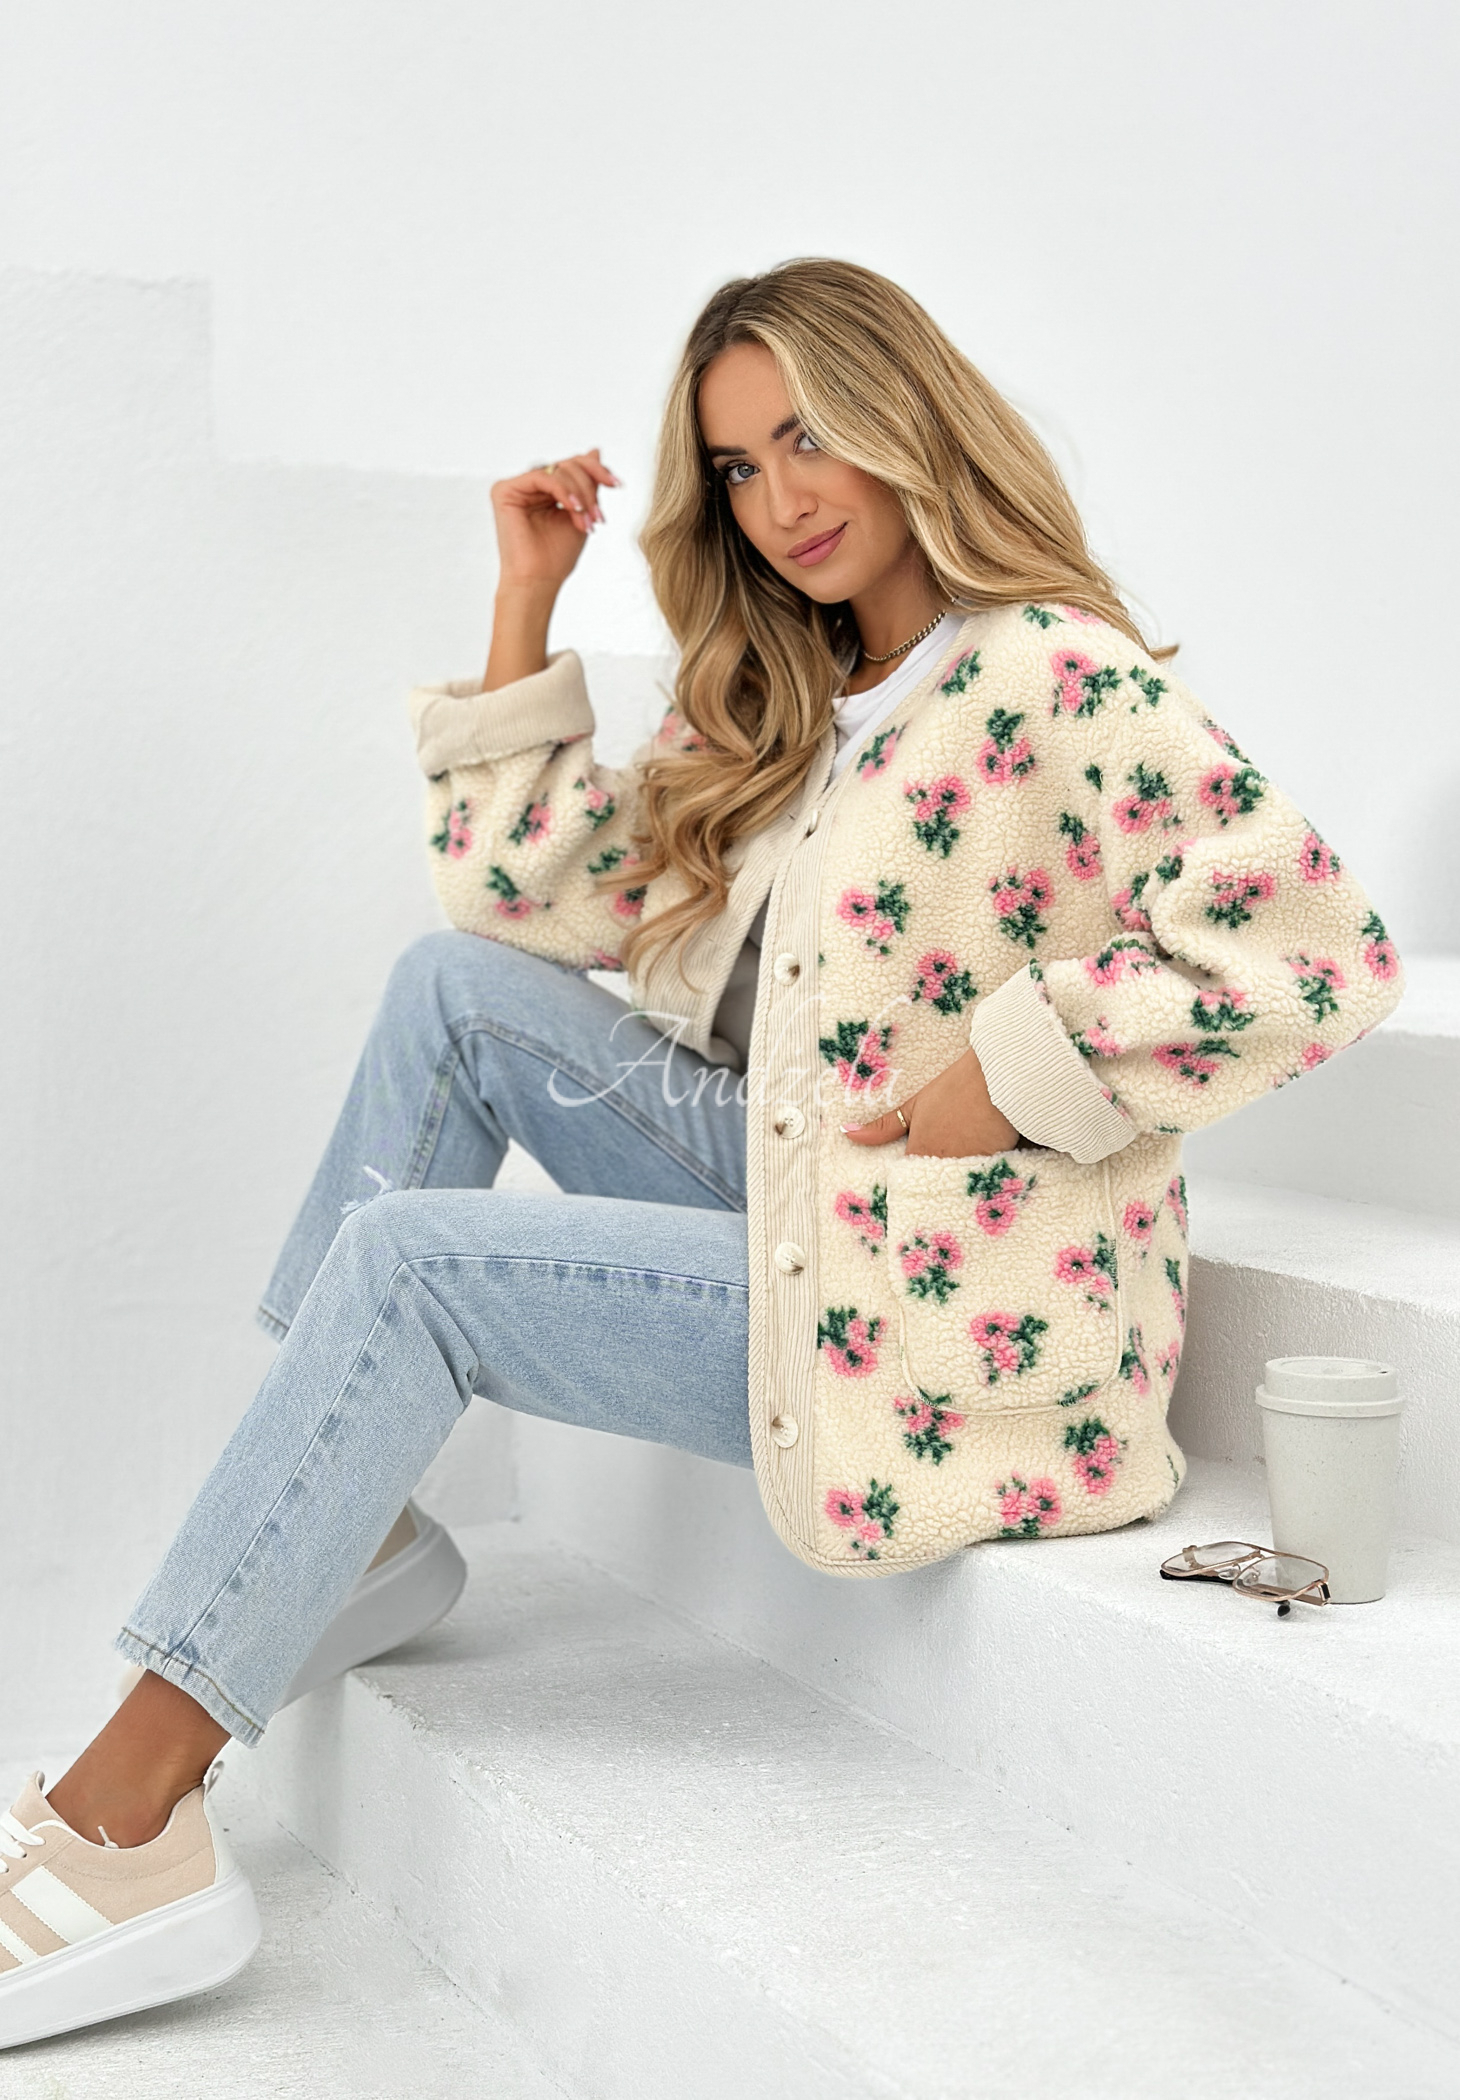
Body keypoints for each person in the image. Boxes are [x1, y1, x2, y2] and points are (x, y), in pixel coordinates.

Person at [0, 258, 1403, 2048]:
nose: (781, 499)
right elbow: (526, 901)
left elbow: (1314, 949)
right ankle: (340, 1527)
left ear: (906, 414)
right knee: (451, 991)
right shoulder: (801, 689)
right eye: (740, 466)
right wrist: (526, 597)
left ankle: (129, 1819)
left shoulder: (1055, 672)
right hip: (801, 1196)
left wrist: (1008, 1072)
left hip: (946, 1299)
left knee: (414, 1264)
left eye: (810, 436)